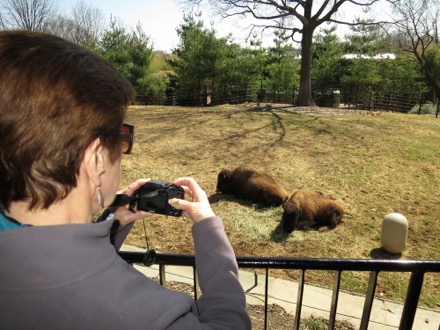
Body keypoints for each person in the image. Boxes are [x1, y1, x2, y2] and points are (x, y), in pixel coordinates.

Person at [0, 30, 251, 329]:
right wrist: (209, 229)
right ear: (96, 160)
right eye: (120, 139)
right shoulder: (143, 317)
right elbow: (230, 324)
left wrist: (112, 223)